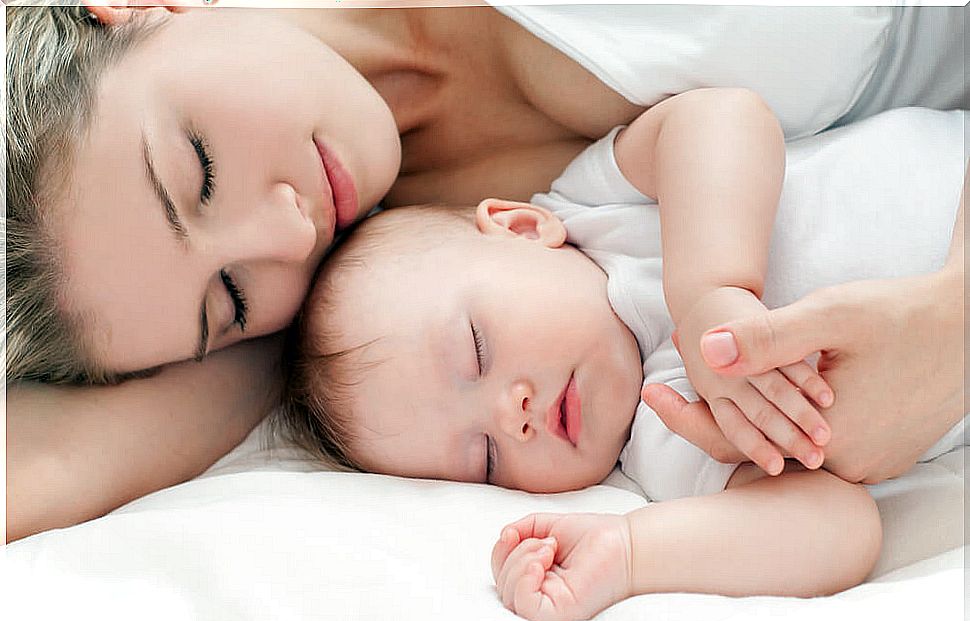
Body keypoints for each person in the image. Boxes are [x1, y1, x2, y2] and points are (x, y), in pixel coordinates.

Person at [5, 1, 966, 541]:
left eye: (200, 170)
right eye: (230, 298)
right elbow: (43, 464)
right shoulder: (411, 293)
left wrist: (954, 327)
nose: (287, 234)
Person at [279, 106, 965, 621]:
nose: (509, 416)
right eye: (484, 457)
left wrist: (709, 292)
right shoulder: (666, 447)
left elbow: (723, 114)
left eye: (478, 351)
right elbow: (843, 530)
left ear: (522, 229)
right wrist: (634, 554)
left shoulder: (598, 211)